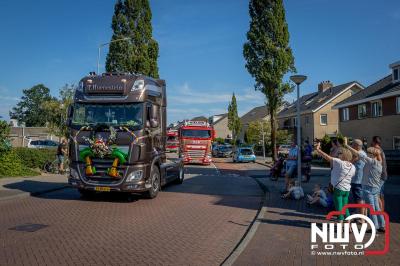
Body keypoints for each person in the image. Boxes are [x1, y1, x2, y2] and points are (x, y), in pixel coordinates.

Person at [345, 138, 385, 232]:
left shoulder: (372, 162)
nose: (367, 154)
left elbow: (359, 154)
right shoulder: (379, 163)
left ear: (372, 155)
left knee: (371, 209)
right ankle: (382, 225)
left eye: (368, 153)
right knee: (377, 208)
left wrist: (347, 145)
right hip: (375, 188)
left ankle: (374, 227)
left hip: (369, 189)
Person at [314, 141, 355, 222]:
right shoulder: (352, 166)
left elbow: (326, 157)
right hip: (347, 189)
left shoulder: (339, 162)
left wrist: (318, 149)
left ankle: (340, 225)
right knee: (345, 207)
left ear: (343, 155)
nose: (338, 155)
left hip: (338, 189)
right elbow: (351, 176)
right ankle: (349, 226)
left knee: (339, 207)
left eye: (339, 153)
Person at [350, 139, 366, 215]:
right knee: (359, 198)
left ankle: (362, 217)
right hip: (357, 179)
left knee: (359, 198)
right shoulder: (361, 153)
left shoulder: (360, 153)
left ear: (357, 146)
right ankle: (361, 214)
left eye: (352, 144)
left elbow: (350, 162)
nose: (351, 146)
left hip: (357, 180)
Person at [371, 136, 387, 212]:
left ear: (374, 142)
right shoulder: (381, 150)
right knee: (381, 194)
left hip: (379, 175)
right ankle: (381, 211)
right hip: (383, 174)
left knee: (376, 194)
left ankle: (379, 213)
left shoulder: (376, 150)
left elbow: (375, 163)